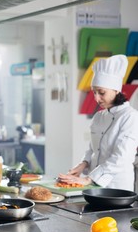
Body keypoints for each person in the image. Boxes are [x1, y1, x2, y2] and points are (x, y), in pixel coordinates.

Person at [58, 55, 138, 191]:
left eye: (101, 92)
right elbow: (93, 149)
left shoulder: (130, 116)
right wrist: (82, 164)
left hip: (117, 187)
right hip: (94, 185)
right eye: (94, 92)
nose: (96, 98)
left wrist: (89, 179)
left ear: (116, 90)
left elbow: (121, 157)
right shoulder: (99, 116)